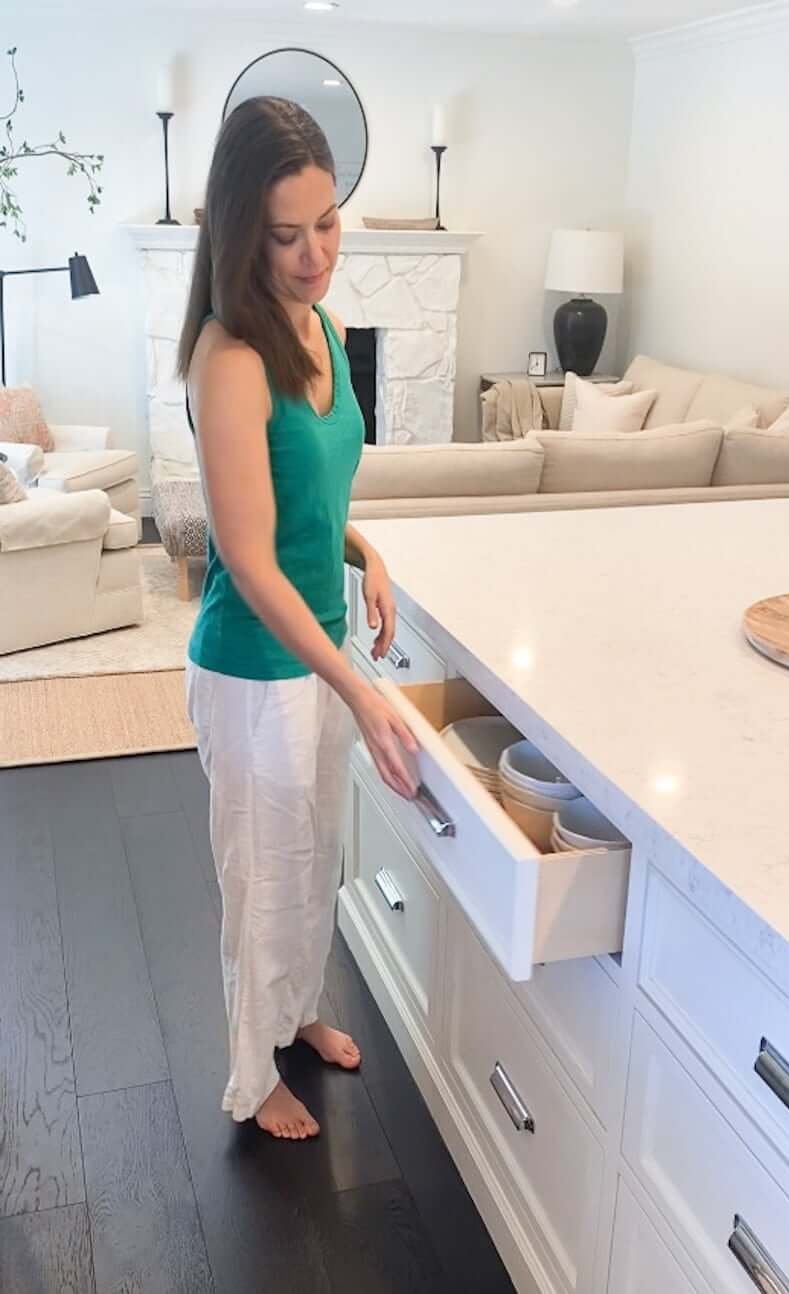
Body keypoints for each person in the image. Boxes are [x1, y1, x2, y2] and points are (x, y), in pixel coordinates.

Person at [177, 96, 418, 1142]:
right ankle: (248, 1073)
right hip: (255, 666)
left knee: (313, 855)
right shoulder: (228, 358)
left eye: (327, 221)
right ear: (241, 231)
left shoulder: (318, 326)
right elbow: (247, 556)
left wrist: (370, 553)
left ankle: (302, 1009)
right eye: (286, 234)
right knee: (262, 879)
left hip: (318, 654)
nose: (316, 252)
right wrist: (361, 688)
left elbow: (312, 497)